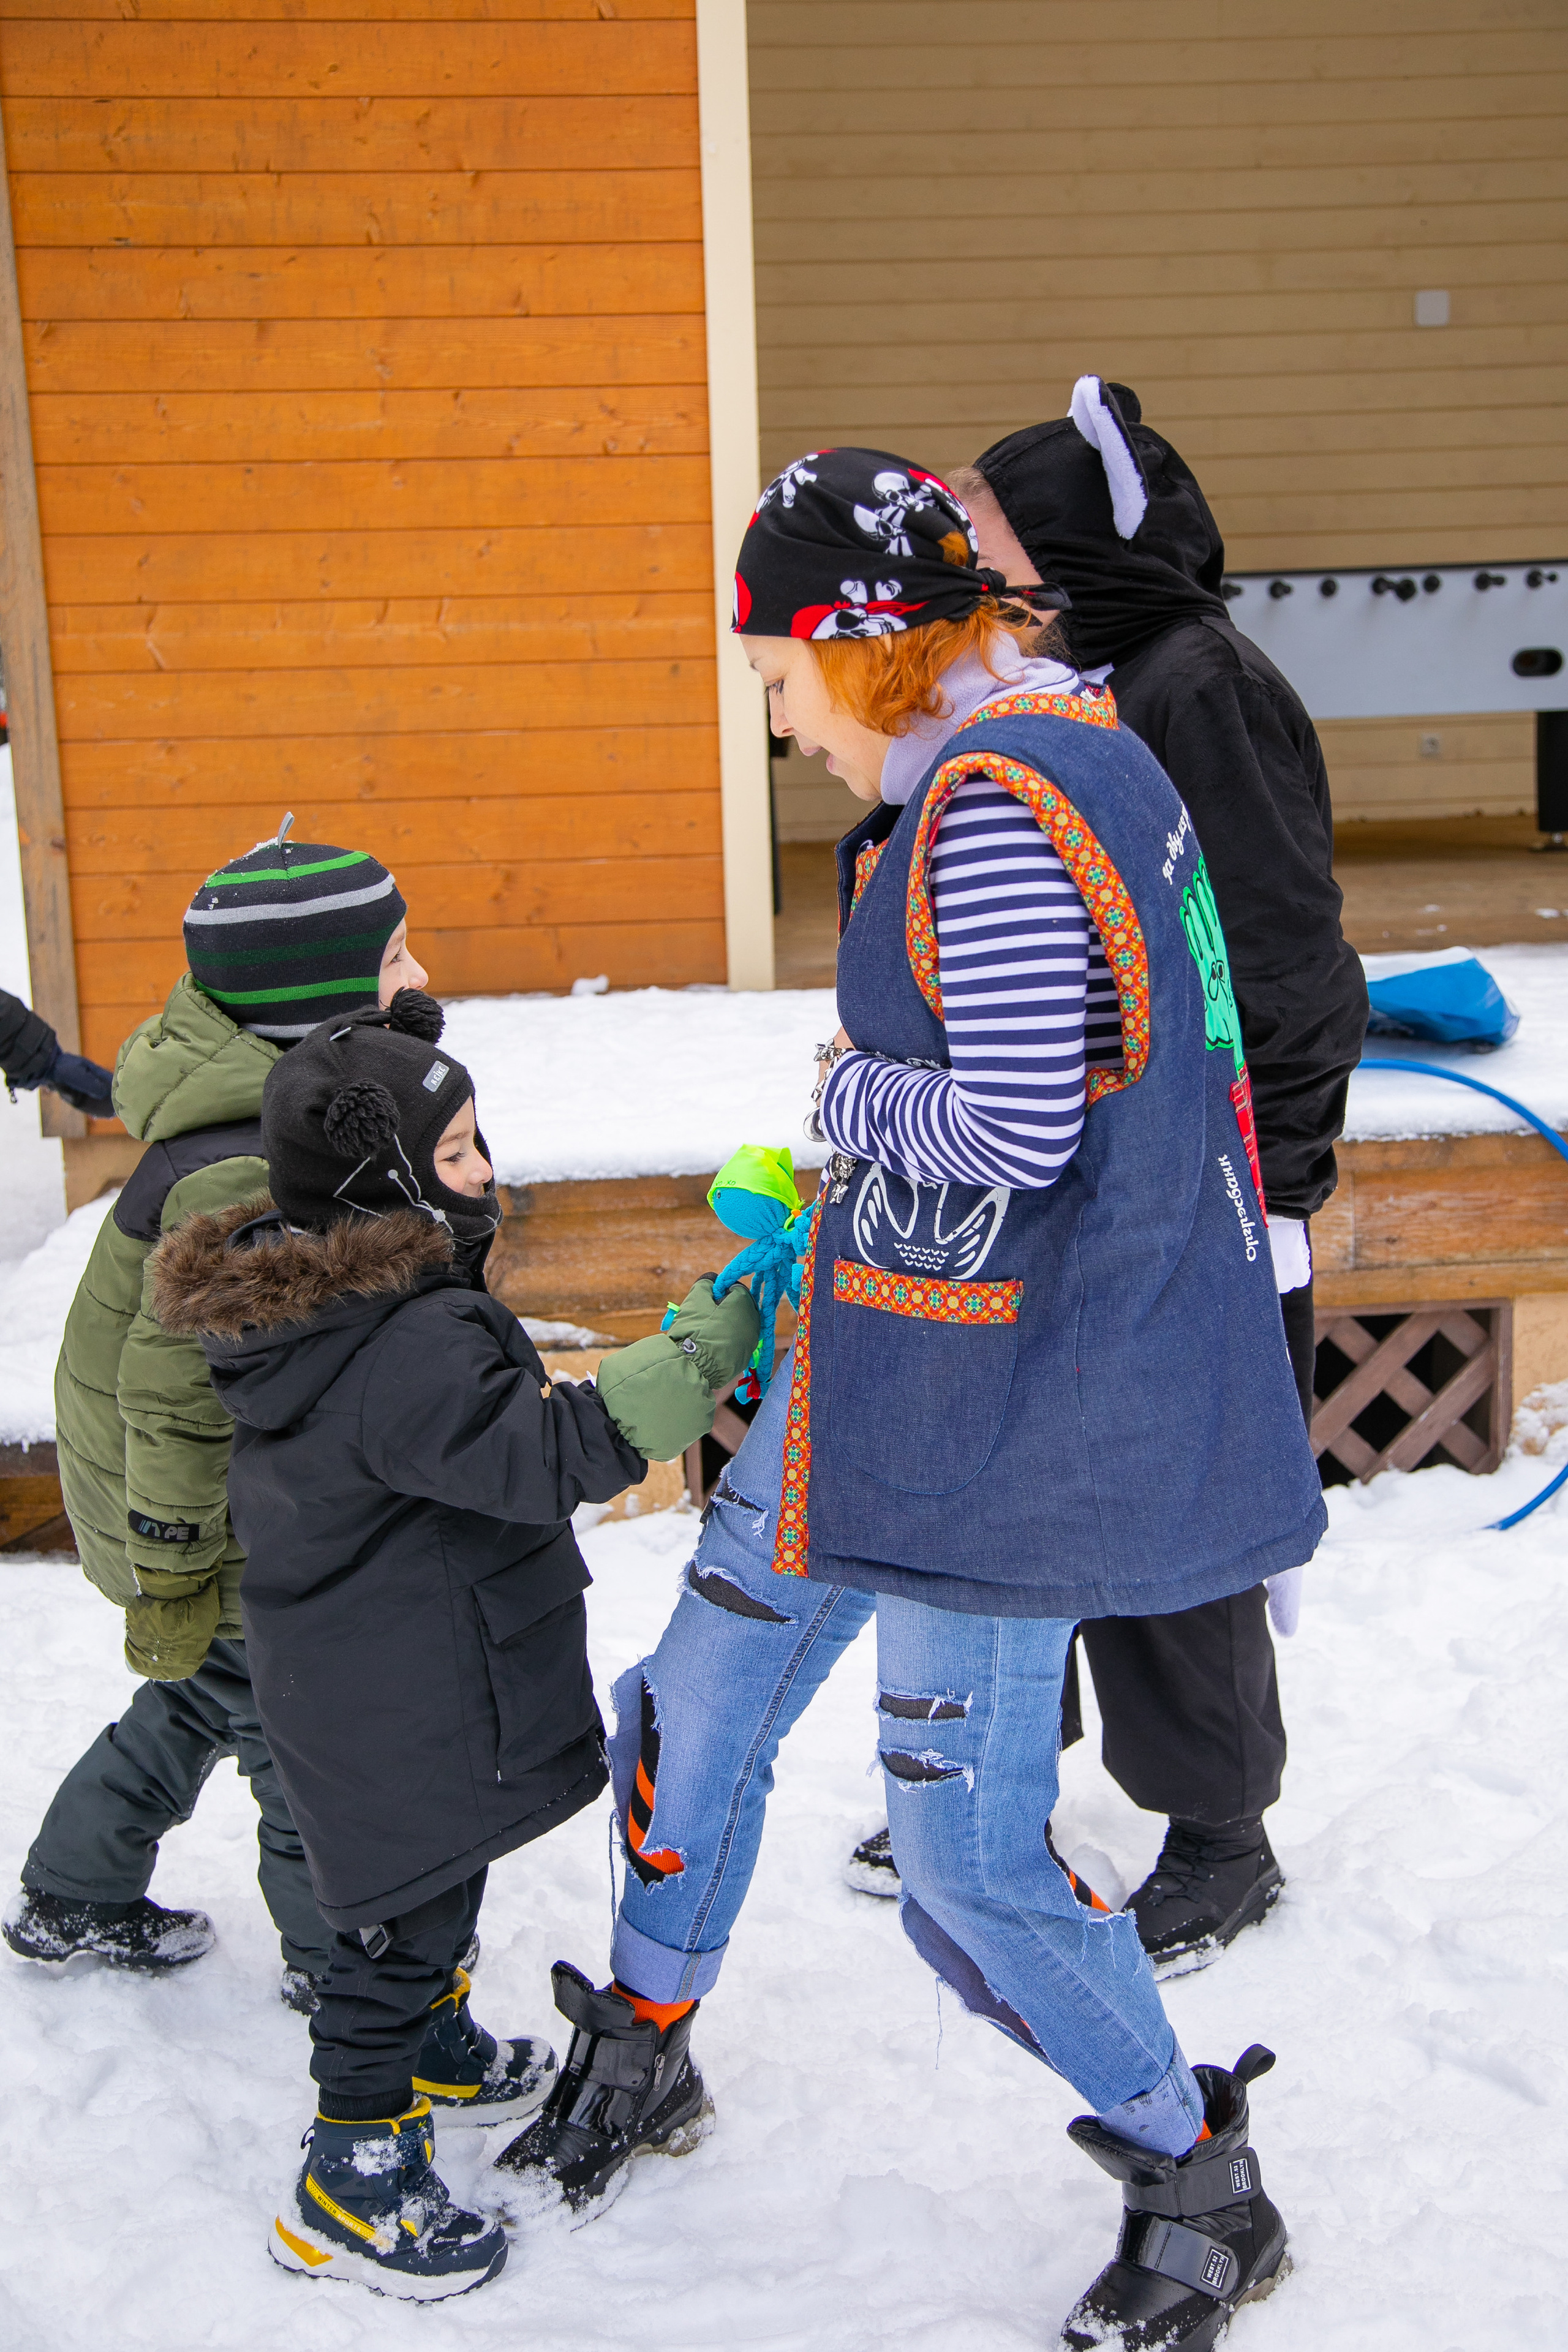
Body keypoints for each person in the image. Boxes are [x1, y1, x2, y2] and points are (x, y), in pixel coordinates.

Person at [497, 450, 1321, 2347]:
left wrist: (847, 1100)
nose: (780, 721)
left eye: (776, 675)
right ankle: (646, 2031)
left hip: (1001, 1412)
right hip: (885, 1344)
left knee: (964, 1850)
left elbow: (1016, 1126)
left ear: (860, 642)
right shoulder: (1053, 745)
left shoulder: (997, 809)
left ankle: (1199, 2176)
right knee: (696, 1699)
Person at [846, 379, 1368, 1970]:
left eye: (992, 541)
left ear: (1072, 541)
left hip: (1194, 1183)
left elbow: (1277, 951)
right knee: (1043, 1475)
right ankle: (1015, 1762)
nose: (972, 569)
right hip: (1076, 1172)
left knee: (1172, 1504)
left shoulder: (1195, 686)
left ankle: (1219, 1832)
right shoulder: (1070, 687)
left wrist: (1264, 1180)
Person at [154, 995, 760, 2300]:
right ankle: (350, 2176)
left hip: (385, 1666)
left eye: (479, 1139)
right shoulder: (402, 1340)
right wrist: (684, 1361)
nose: (486, 1170)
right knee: (392, 1934)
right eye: (455, 1152)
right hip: (400, 1687)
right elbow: (538, 1455)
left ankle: (434, 2048)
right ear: (376, 1179)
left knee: (436, 1877)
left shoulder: (347, 1307)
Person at [3, 820, 426, 2001]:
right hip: (200, 1512)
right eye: (395, 959)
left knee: (205, 1698)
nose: (420, 976)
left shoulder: (281, 1107)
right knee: (302, 1748)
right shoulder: (248, 1164)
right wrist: (177, 1569)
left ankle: (74, 1891)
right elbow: (176, 1401)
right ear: (321, 1000)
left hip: (206, 1492)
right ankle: (349, 1982)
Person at [1, 987, 116, 1118]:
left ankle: (116, 1099)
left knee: (59, 1069)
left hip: (31, 1052)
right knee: (58, 1068)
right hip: (32, 1045)